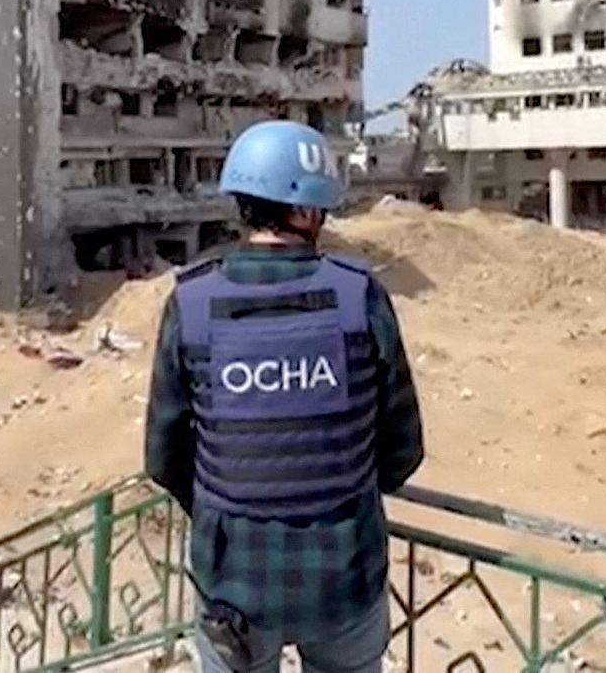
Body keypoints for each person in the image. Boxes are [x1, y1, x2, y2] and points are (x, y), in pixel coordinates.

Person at [144, 120, 425, 673]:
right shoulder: (358, 293)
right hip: (345, 576)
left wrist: (227, 513)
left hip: (233, 584)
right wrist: (340, 494)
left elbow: (164, 455)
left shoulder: (193, 303)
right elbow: (403, 445)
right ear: (304, 210)